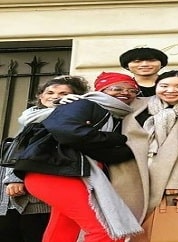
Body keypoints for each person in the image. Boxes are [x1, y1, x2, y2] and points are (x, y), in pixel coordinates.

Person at [19, 72, 142, 242]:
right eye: (116, 88)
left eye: (132, 90)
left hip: (63, 173)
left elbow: (100, 150)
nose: (125, 92)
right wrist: (118, 139)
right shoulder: (83, 104)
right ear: (101, 90)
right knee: (105, 232)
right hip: (55, 173)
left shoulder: (114, 114)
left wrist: (123, 149)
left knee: (63, 230)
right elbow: (69, 132)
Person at [0, 76, 89, 242]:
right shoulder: (31, 117)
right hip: (9, 195)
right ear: (41, 96)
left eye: (63, 94)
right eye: (50, 92)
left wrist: (15, 178)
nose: (55, 96)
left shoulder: (70, 120)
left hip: (37, 196)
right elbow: (19, 150)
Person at [109, 70, 178, 226]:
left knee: (164, 225)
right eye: (164, 85)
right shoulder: (137, 104)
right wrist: (72, 99)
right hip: (130, 170)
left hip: (171, 175)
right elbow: (100, 102)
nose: (170, 90)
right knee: (126, 219)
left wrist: (175, 181)